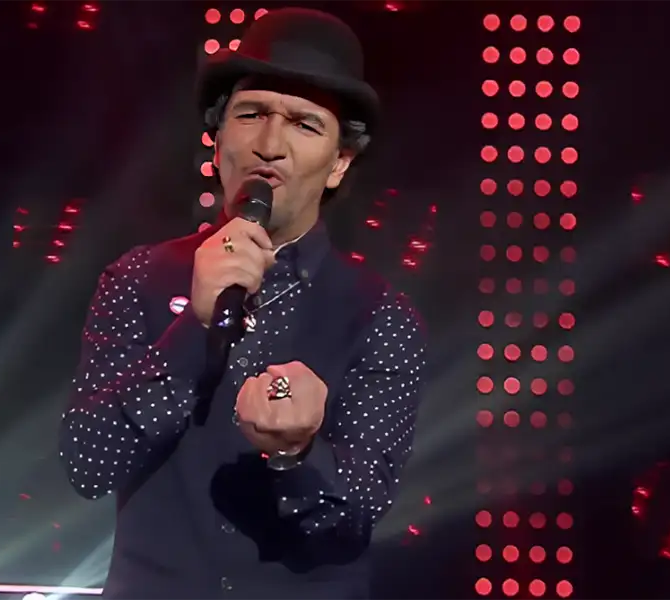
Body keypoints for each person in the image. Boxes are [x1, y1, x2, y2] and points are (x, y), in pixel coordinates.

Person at [59, 8, 426, 600]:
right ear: (217, 137)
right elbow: (88, 463)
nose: (269, 145)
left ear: (339, 162)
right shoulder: (139, 279)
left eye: (304, 124)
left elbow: (357, 517)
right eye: (251, 114)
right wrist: (192, 329)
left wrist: (296, 456)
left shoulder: (381, 316)